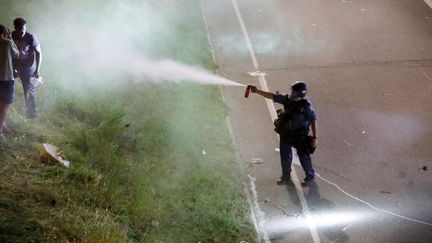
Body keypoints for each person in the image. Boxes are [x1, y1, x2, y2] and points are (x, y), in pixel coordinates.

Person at [248, 81, 318, 185]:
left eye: (293, 91)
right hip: (286, 134)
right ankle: (285, 177)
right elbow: (272, 96)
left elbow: (313, 120)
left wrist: (315, 137)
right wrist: (257, 91)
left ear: (299, 93)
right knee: (285, 156)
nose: (291, 92)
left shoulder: (306, 106)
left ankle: (309, 176)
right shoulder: (287, 100)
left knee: (304, 157)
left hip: (300, 136)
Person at [12, 17, 42, 118]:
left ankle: (31, 114)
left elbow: (38, 53)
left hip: (28, 67)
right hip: (14, 66)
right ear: (15, 29)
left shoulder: (31, 37)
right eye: (19, 31)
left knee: (29, 90)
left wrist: (37, 70)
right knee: (5, 85)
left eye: (23, 31)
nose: (22, 33)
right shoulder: (11, 36)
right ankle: (6, 108)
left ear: (26, 28)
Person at [0, 24, 19, 135]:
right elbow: (18, 54)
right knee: (5, 105)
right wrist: (11, 39)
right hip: (6, 79)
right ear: (6, 33)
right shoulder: (7, 43)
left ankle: (3, 126)